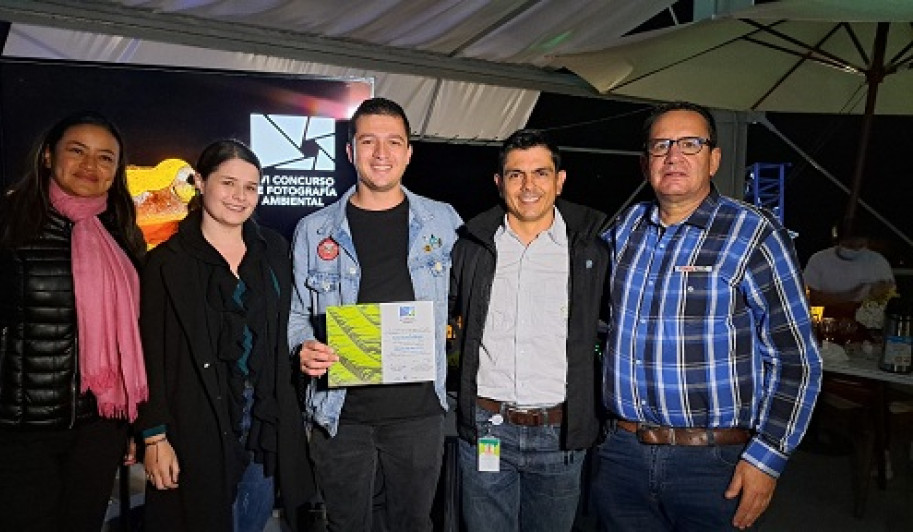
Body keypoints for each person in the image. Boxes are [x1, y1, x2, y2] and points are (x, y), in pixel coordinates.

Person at [598, 101, 823, 531]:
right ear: (645, 163)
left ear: (714, 158)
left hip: (713, 464)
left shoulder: (753, 232)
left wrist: (768, 458)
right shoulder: (625, 229)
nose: (673, 156)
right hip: (623, 455)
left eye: (690, 144)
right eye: (660, 145)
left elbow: (796, 358)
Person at [0, 111, 148, 531]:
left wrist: (128, 426)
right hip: (13, 433)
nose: (91, 166)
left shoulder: (122, 233)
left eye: (106, 158)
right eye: (77, 151)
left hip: (96, 430)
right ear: (48, 156)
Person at [289, 97, 462, 531]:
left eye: (393, 142)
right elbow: (296, 313)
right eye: (369, 141)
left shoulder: (444, 222)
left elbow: (467, 300)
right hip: (341, 414)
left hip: (419, 414)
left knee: (413, 524)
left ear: (408, 152)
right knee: (346, 525)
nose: (381, 154)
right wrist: (301, 348)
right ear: (350, 152)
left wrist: (452, 328)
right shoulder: (314, 229)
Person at [136, 139, 314, 531]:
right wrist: (154, 437)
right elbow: (149, 353)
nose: (240, 197)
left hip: (263, 417)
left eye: (251, 187)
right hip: (193, 419)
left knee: (252, 521)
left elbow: (284, 329)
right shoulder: (166, 263)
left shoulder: (272, 251)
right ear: (200, 182)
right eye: (228, 183)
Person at [449, 129, 609, 532]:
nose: (529, 186)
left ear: (560, 180)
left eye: (540, 172)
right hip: (487, 428)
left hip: (560, 433)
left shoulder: (592, 247)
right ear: (500, 182)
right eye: (516, 174)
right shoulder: (471, 245)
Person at [803, 220, 895, 308]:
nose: (855, 250)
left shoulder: (878, 262)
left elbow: (887, 296)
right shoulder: (819, 260)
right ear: (837, 242)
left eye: (861, 246)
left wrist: (877, 296)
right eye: (850, 246)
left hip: (865, 318)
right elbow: (810, 298)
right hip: (826, 317)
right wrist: (850, 295)